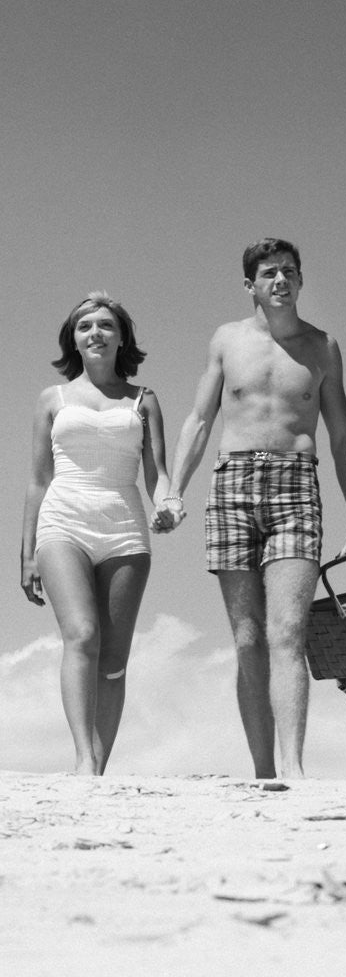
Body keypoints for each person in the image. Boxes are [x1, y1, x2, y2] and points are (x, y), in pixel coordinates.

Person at [152, 238, 346, 780]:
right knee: (248, 637)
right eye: (270, 273)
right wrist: (172, 489)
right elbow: (200, 419)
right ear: (250, 284)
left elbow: (342, 434)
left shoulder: (323, 346)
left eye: (290, 272)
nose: (281, 280)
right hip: (231, 483)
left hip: (297, 485)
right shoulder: (227, 340)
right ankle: (262, 773)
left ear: (300, 281)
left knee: (287, 632)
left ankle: (293, 766)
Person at [21, 294, 171, 775]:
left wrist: (169, 501)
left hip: (125, 530)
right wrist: (26, 554)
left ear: (121, 336)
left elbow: (158, 474)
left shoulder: (144, 400)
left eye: (106, 325)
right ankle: (83, 758)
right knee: (82, 635)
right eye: (85, 326)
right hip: (63, 521)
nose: (96, 333)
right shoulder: (53, 399)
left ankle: (99, 768)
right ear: (74, 339)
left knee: (113, 656)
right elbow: (37, 481)